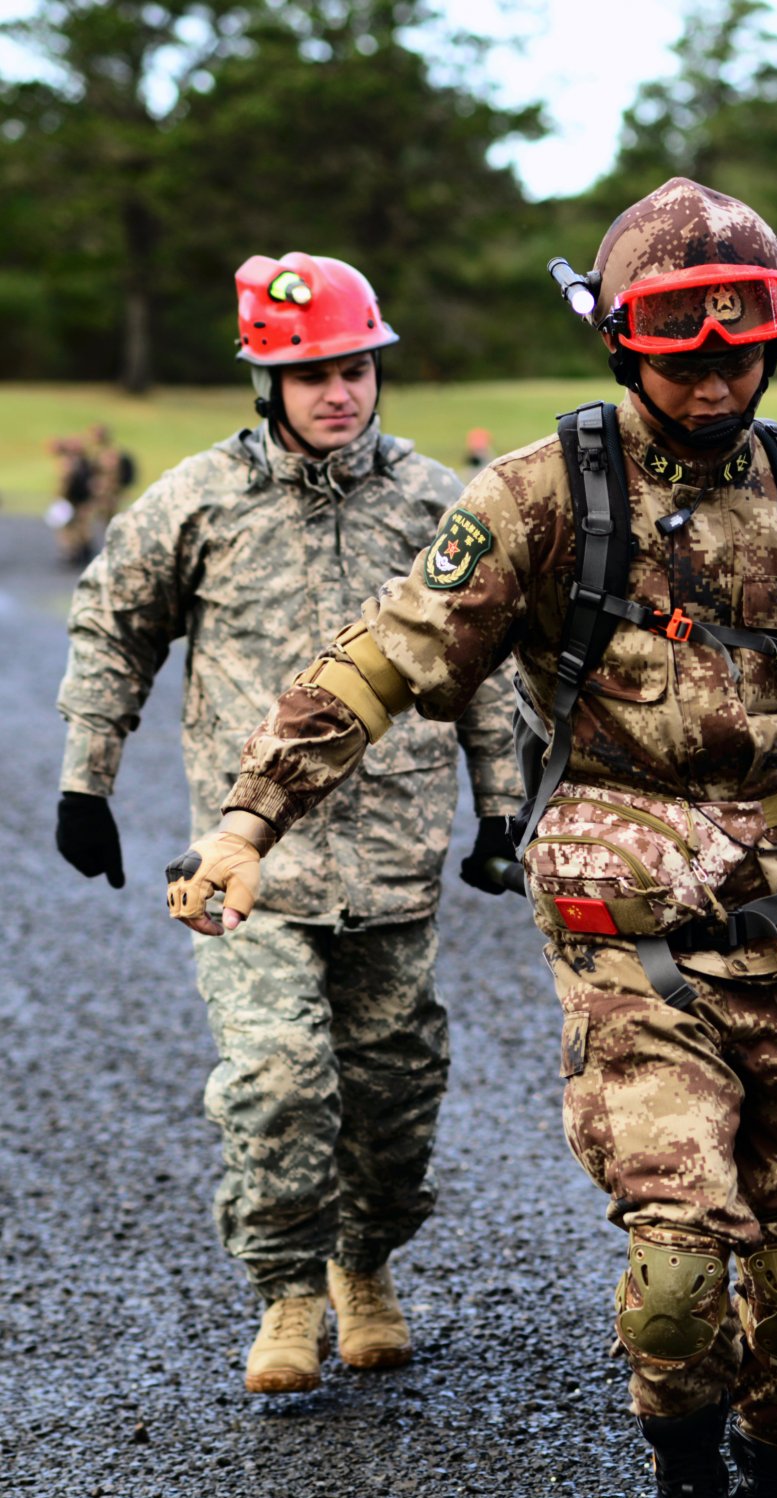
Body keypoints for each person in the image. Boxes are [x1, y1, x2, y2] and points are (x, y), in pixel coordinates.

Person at [163, 180, 777, 1498]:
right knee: (671, 1261)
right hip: (633, 932)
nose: (714, 370)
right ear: (616, 342)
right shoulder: (541, 497)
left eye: (741, 342)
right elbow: (385, 661)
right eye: (677, 342)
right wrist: (251, 819)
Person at [55, 250, 522, 1396]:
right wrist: (86, 780)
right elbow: (113, 628)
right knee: (276, 1082)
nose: (339, 391)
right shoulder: (200, 501)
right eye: (311, 371)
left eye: (356, 367)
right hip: (249, 864)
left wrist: (502, 805)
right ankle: (288, 1291)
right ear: (267, 381)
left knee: (394, 1098)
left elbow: (485, 663)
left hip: (394, 863)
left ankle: (365, 1266)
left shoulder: (433, 503)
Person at [51, 436, 95, 564]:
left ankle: (77, 552)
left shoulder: (77, 464)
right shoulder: (80, 462)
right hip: (71, 500)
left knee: (76, 528)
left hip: (76, 500)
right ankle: (74, 552)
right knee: (70, 528)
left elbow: (67, 484)